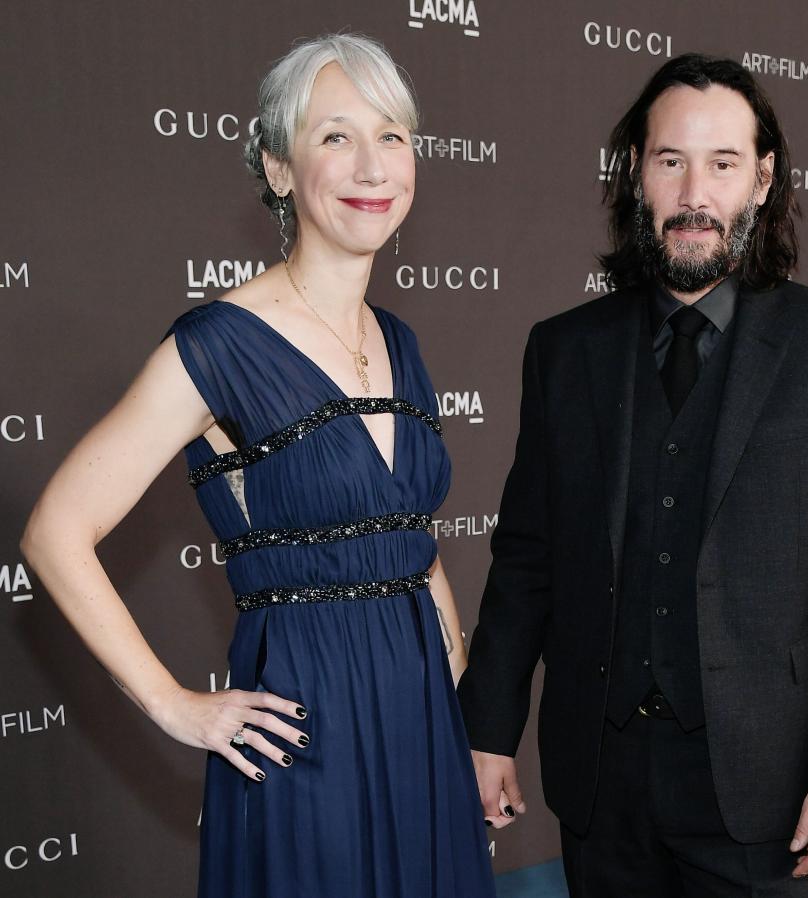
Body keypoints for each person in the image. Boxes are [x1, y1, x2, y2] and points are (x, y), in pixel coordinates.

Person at [21, 33, 495, 898]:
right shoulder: (219, 345)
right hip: (305, 726)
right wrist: (174, 704)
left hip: (421, 717)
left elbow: (412, 549)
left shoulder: (400, 341)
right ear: (279, 169)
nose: (371, 163)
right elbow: (56, 532)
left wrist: (465, 713)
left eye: (392, 134)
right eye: (334, 135)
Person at [457, 53, 808, 897]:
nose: (696, 192)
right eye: (671, 160)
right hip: (599, 779)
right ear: (635, 174)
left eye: (723, 163)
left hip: (758, 786)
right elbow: (526, 562)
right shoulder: (564, 349)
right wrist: (488, 731)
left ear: (762, 180)